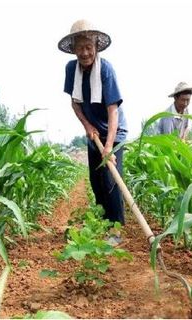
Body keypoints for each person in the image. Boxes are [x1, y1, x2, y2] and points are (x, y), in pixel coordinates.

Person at [59, 19, 127, 245]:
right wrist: (88, 127)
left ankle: (116, 229)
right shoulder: (71, 69)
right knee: (96, 180)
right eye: (80, 47)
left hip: (113, 131)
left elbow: (113, 111)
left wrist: (109, 147)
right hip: (93, 131)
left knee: (110, 179)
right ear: (74, 49)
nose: (85, 52)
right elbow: (75, 104)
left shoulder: (105, 69)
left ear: (96, 46)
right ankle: (104, 223)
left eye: (89, 46)